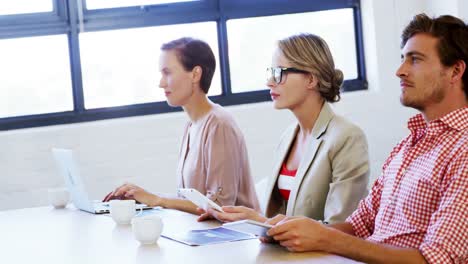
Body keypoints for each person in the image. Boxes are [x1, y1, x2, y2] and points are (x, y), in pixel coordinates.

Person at [263, 14, 468, 263]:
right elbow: (359, 225)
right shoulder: (407, 147)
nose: (399, 71)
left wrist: (325, 238)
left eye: (415, 60)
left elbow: (437, 259)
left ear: (455, 70)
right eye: (402, 59)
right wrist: (293, 228)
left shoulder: (462, 150)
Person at [198, 33, 369, 224]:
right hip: (285, 252)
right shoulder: (288, 136)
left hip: (320, 254)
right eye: (271, 72)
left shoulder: (347, 137)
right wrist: (243, 218)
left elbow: (340, 228)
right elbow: (279, 218)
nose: (269, 82)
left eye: (279, 73)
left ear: (311, 80)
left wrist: (261, 221)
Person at [103, 37, 260, 214]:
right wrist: (143, 196)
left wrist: (158, 200)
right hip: (204, 234)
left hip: (236, 237)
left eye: (167, 73)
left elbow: (220, 207)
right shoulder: (192, 125)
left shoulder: (219, 125)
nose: (161, 83)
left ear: (195, 74)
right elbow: (192, 200)